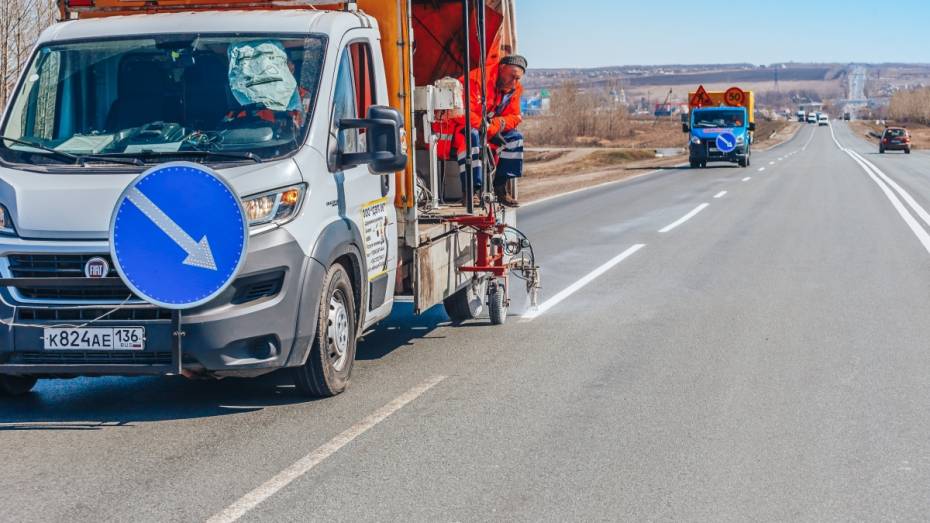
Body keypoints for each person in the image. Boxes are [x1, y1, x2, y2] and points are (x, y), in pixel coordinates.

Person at [451, 54, 527, 207]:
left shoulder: (515, 88)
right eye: (512, 76)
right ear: (501, 68)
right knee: (471, 137)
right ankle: (470, 192)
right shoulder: (475, 80)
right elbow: (462, 113)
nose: (514, 82)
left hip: (490, 128)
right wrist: (489, 129)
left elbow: (515, 116)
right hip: (462, 128)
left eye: (518, 79)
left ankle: (500, 187)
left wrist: (496, 125)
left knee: (515, 138)